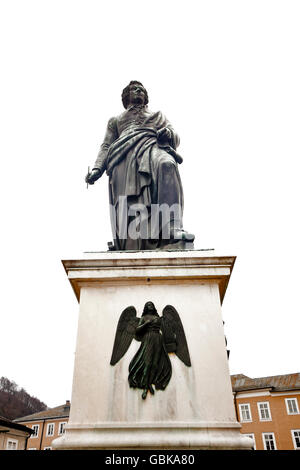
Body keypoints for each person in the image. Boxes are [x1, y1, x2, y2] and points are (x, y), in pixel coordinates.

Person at [85, 81, 194, 250]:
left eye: (141, 89)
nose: (138, 91)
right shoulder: (115, 120)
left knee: (167, 164)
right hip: (123, 156)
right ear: (126, 96)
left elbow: (176, 138)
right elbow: (106, 145)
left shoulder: (157, 115)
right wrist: (97, 169)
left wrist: (168, 133)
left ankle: (171, 227)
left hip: (153, 147)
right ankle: (131, 239)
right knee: (129, 203)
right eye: (134, 89)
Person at [128, 301, 172, 399]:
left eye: (151, 305)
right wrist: (145, 324)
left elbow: (166, 329)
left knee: (155, 364)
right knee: (147, 363)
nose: (150, 306)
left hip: (158, 340)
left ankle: (148, 384)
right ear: (146, 308)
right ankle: (146, 387)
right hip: (148, 339)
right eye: (148, 305)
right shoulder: (144, 318)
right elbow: (137, 330)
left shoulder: (158, 318)